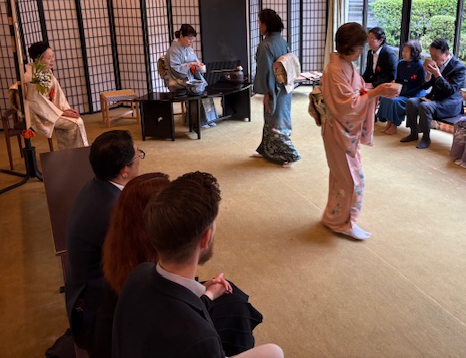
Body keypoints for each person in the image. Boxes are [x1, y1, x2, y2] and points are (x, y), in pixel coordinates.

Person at [112, 172, 284, 358]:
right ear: (205, 238)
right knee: (274, 352)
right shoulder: (201, 340)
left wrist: (207, 293)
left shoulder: (139, 274)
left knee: (235, 303)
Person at [65, 130, 143, 354]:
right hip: (95, 313)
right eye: (138, 155)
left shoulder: (97, 186)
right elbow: (133, 265)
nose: (140, 158)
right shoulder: (112, 210)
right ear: (124, 170)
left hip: (81, 286)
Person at [320, 23, 400, 240]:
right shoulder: (335, 70)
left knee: (342, 178)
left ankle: (334, 218)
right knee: (352, 180)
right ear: (348, 47)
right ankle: (343, 223)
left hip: (344, 130)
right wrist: (375, 92)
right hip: (338, 130)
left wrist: (374, 91)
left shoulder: (345, 65)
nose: (362, 51)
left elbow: (356, 92)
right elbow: (347, 105)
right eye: (359, 47)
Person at [253, 8, 301, 167]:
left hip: (274, 88)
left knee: (276, 122)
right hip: (284, 87)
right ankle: (265, 149)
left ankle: (291, 155)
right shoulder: (281, 41)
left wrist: (267, 93)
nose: (259, 25)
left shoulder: (265, 45)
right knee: (273, 119)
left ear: (266, 25)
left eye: (260, 22)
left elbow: (265, 71)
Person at [400, 38, 466, 149]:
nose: (433, 59)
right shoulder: (437, 64)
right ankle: (413, 133)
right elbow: (425, 86)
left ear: (446, 54)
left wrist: (438, 75)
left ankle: (426, 138)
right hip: (435, 99)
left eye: (436, 56)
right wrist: (428, 75)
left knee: (425, 106)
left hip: (450, 103)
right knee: (411, 102)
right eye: (431, 56)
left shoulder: (459, 68)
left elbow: (451, 90)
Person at [23, 41, 88, 149]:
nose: (52, 60)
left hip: (52, 110)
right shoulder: (30, 77)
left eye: (52, 56)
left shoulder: (47, 71)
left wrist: (65, 109)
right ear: (37, 59)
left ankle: (76, 151)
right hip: (39, 114)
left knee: (77, 120)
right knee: (74, 123)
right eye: (49, 58)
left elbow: (58, 94)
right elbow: (38, 104)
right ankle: (72, 153)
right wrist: (62, 113)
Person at [167, 24, 217, 128]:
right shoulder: (173, 50)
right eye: (189, 39)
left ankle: (210, 118)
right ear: (181, 36)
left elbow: (196, 62)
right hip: (178, 79)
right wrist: (190, 64)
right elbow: (176, 70)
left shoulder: (189, 49)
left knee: (203, 85)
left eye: (192, 39)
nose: (191, 42)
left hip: (191, 77)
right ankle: (198, 120)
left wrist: (199, 66)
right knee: (196, 89)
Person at [377, 40, 426, 135]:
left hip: (414, 95)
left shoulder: (420, 66)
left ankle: (394, 125)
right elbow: (398, 80)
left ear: (414, 52)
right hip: (401, 91)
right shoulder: (401, 64)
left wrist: (402, 92)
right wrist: (394, 87)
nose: (403, 53)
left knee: (394, 101)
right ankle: (388, 124)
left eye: (406, 51)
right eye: (403, 50)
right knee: (385, 97)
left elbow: (420, 86)